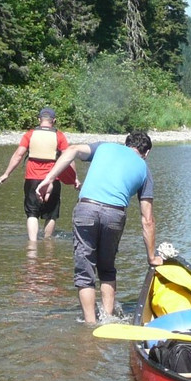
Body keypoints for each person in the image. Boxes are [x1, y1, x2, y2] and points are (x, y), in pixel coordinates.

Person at [35, 131, 163, 324]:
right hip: (115, 214)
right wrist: (151, 257)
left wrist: (49, 179)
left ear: (126, 144)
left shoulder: (104, 147)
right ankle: (108, 319)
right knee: (107, 269)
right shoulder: (144, 169)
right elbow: (148, 219)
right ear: (147, 153)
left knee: (85, 270)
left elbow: (72, 150)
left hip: (86, 208)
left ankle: (90, 324)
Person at [0, 107, 79, 241]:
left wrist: (6, 174)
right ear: (54, 120)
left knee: (32, 213)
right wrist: (75, 179)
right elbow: (68, 159)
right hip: (53, 179)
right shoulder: (59, 136)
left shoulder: (29, 134)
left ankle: (33, 245)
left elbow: (18, 155)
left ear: (39, 119)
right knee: (51, 214)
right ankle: (47, 244)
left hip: (32, 179)